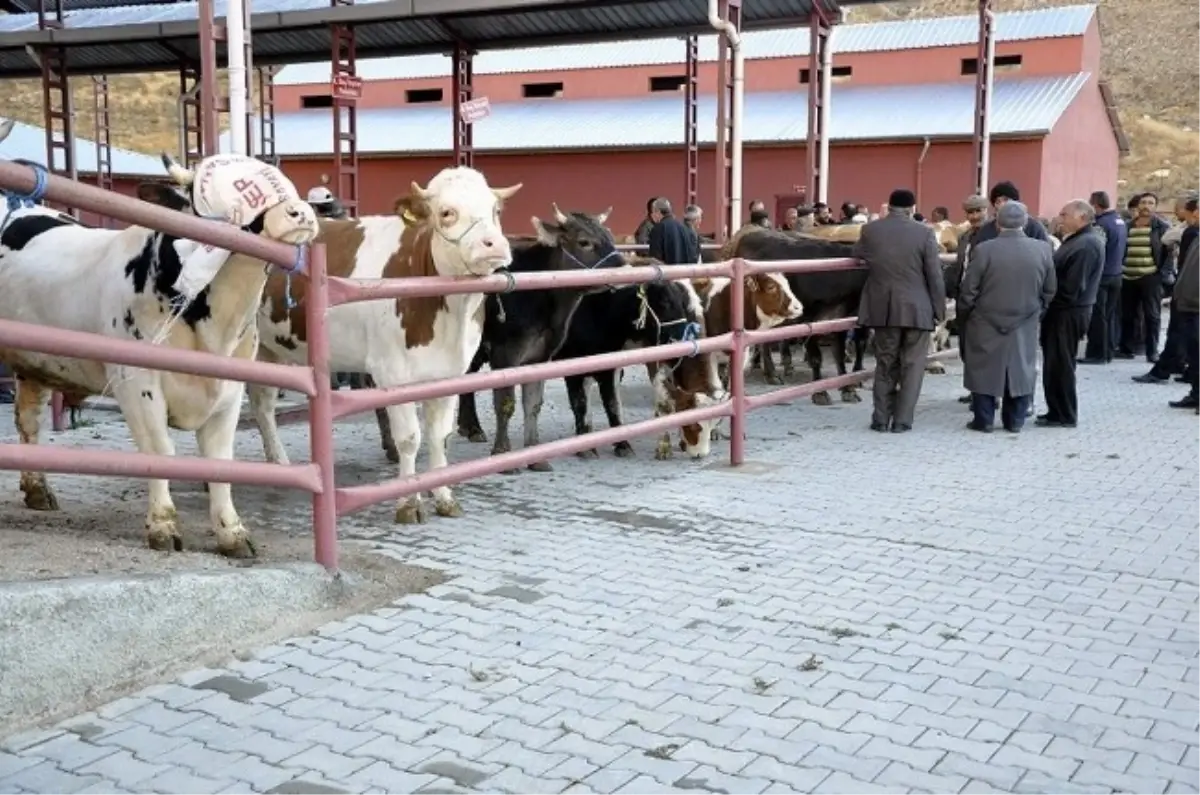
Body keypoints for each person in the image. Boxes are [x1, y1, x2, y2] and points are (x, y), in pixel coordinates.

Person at [959, 201, 1056, 433]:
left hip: (985, 319)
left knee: (983, 367)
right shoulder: (1043, 249)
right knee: (1021, 367)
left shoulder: (984, 249)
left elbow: (969, 289)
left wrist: (969, 314)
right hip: (1025, 319)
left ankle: (983, 420)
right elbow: (1050, 289)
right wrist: (1037, 311)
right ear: (1025, 221)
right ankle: (1015, 421)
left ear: (997, 221)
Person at [853, 188, 945, 433]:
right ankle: (903, 421)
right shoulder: (925, 233)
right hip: (918, 309)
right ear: (912, 208)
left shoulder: (870, 230)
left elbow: (857, 254)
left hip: (883, 309)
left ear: (889, 206)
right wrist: (940, 310)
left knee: (885, 363)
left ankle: (881, 419)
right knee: (913, 366)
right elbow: (935, 276)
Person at [1038, 200, 1106, 428]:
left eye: (1064, 214)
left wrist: (1046, 299)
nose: (1060, 218)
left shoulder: (1087, 245)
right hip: (1060, 311)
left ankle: (1065, 413)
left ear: (1081, 218)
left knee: (1062, 363)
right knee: (1054, 362)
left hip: (1068, 312)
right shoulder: (1076, 241)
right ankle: (1055, 410)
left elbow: (1072, 288)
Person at [1137, 196, 1200, 384]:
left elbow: (1167, 238)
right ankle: (1182, 372)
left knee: (1180, 334)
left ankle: (1166, 370)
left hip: (1190, 297)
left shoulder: (1190, 232)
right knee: (1183, 337)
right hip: (1186, 293)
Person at [944, 194, 991, 404]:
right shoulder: (964, 237)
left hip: (985, 300)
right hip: (965, 299)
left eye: (978, 211)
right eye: (970, 212)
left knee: (984, 349)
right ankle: (975, 389)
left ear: (986, 210)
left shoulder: (994, 235)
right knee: (966, 348)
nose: (974, 216)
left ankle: (987, 393)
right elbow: (960, 267)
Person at [1117, 191, 1171, 362]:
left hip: (1150, 277)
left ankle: (1152, 351)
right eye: (1143, 202)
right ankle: (1126, 348)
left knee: (1152, 316)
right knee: (1127, 315)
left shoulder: (1161, 227)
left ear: (1155, 207)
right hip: (1128, 276)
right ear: (1138, 205)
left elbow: (1169, 254)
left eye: (1150, 203)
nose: (1146, 206)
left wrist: (1162, 275)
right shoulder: (1127, 225)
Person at [1080, 190, 1127, 364]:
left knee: (1098, 316)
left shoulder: (1100, 224)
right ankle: (1109, 350)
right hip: (1116, 273)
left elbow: (1097, 250)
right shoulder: (1119, 221)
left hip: (1103, 275)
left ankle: (1097, 354)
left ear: (1095, 205)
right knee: (1111, 315)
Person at [1166, 215, 1200, 412]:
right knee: (1194, 355)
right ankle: (1196, 394)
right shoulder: (1196, 236)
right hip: (1188, 304)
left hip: (1196, 305)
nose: (1195, 216)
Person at [972, 181, 1051, 246]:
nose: (1002, 204)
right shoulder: (986, 230)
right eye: (998, 202)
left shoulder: (1034, 227)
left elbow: (1046, 253)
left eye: (1006, 200)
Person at [647, 198, 693, 265]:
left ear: (658, 212)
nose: (652, 215)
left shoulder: (658, 229)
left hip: (668, 273)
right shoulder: (685, 228)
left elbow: (655, 259)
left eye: (652, 212)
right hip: (684, 272)